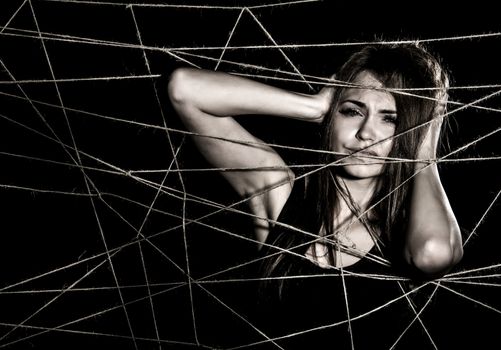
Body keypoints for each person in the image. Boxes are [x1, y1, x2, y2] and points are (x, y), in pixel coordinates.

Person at [168, 43, 463, 348]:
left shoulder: (408, 232)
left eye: (390, 119)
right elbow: (184, 89)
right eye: (352, 111)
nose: (366, 133)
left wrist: (425, 154)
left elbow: (434, 252)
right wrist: (313, 107)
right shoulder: (280, 196)